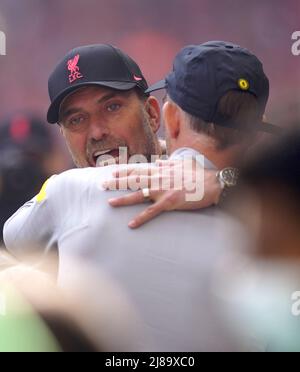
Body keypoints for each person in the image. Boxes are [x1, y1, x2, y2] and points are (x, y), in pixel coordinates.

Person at [4, 41, 277, 351]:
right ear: (64, 137)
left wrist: (221, 183)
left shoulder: (247, 206)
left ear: (155, 115)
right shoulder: (65, 191)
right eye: (76, 120)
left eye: (112, 107)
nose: (96, 133)